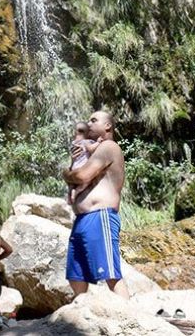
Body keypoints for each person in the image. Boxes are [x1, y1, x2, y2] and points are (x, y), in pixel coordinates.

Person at [62, 110, 129, 298]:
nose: (88, 123)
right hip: (82, 219)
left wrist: (65, 173)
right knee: (76, 277)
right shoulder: (90, 151)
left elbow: (81, 176)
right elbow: (76, 176)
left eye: (94, 120)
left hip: (101, 216)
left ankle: (127, 320)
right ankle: (81, 318)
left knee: (111, 275)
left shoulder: (108, 147)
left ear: (107, 126)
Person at [66, 122, 101, 204]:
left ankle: (69, 194)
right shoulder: (86, 142)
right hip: (82, 168)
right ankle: (76, 192)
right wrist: (98, 142)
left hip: (74, 167)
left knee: (72, 184)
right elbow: (91, 149)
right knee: (86, 182)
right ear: (88, 133)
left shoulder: (74, 143)